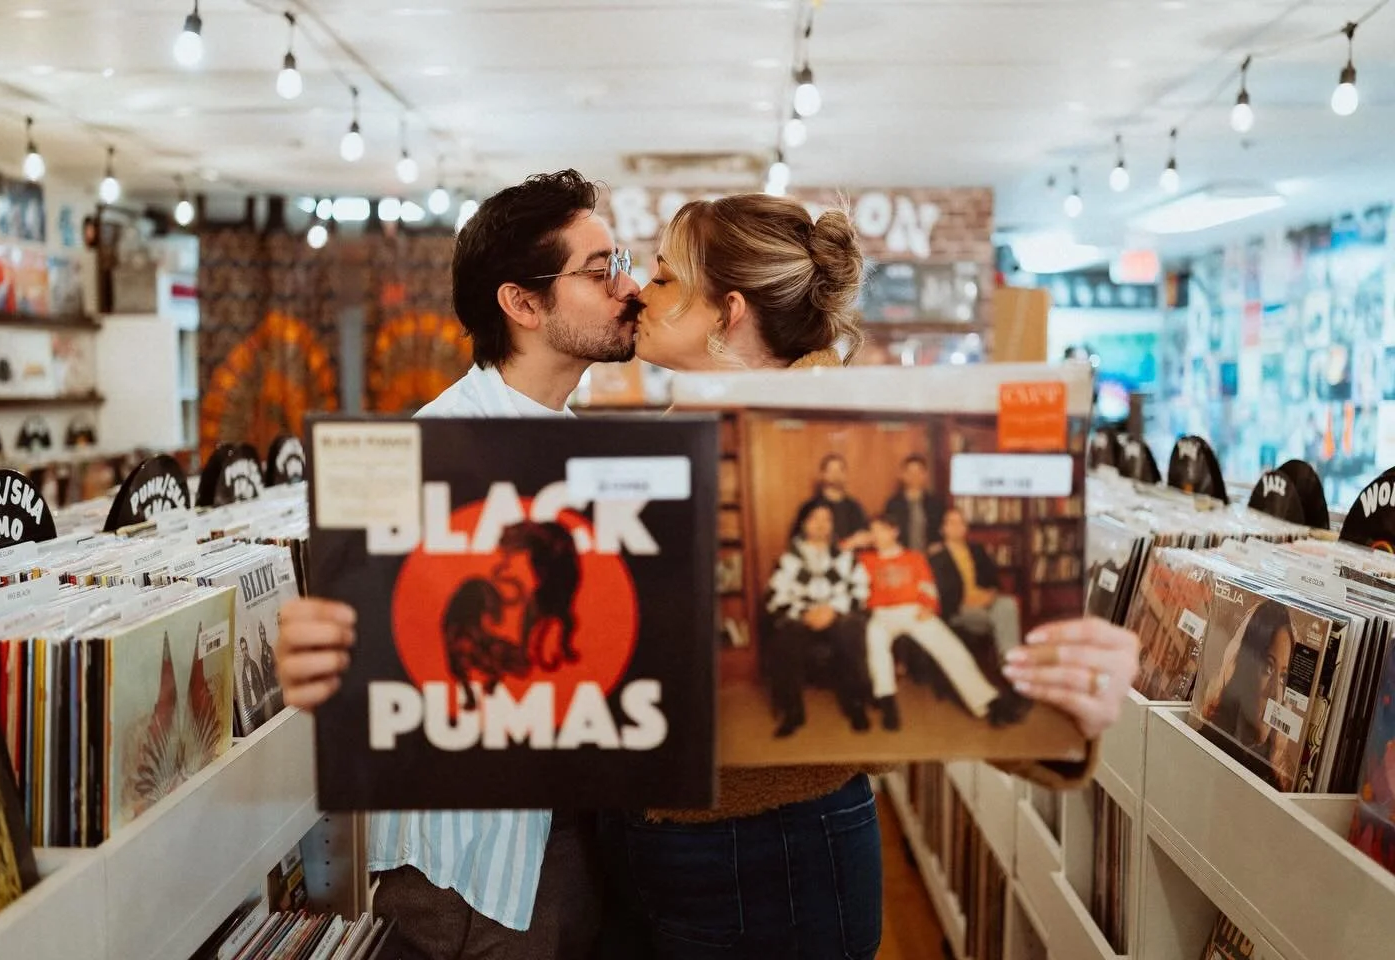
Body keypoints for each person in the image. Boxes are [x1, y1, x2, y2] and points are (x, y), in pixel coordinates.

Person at [602, 191, 1141, 959]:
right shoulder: (678, 431)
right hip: (651, 840)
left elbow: (953, 633)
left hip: (773, 848)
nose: (637, 292)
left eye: (661, 277)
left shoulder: (845, 426)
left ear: (725, 312)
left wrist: (1059, 709)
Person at [275, 170, 640, 960]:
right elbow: (360, 679)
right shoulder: (420, 453)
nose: (629, 287)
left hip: (560, 843)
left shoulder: (582, 448)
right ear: (523, 303)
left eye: (624, 262)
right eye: (602, 268)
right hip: (472, 873)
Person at [860, 513, 1000, 731]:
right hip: (882, 614)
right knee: (875, 642)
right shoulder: (865, 559)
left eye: (880, 530)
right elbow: (837, 555)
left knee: (948, 645)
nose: (875, 536)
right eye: (872, 532)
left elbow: (927, 585)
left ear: (894, 531)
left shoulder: (913, 557)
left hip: (914, 610)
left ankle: (984, 701)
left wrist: (929, 606)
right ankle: (888, 702)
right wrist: (853, 542)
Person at [765, 501, 872, 737]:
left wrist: (832, 610)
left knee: (851, 629)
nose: (822, 525)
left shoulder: (845, 557)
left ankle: (855, 705)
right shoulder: (789, 560)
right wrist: (805, 613)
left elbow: (861, 592)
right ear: (804, 524)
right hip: (803, 619)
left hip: (836, 617)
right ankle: (793, 712)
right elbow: (775, 598)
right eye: (815, 518)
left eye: (827, 519)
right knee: (785, 635)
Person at [1198, 598, 1297, 790]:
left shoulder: (1277, 781)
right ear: (1244, 666)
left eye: (1283, 677)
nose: (1276, 694)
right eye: (1268, 667)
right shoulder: (1205, 741)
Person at [929, 506, 1023, 654]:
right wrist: (972, 601)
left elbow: (993, 579)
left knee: (1008, 604)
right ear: (943, 528)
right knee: (996, 618)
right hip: (959, 609)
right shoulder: (937, 557)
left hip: (985, 600)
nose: (957, 527)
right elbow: (944, 595)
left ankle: (1010, 657)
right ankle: (1010, 660)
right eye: (952, 523)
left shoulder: (977, 550)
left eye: (961, 523)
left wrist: (991, 594)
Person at [787, 452, 871, 552]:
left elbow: (866, 537)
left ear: (845, 475)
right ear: (822, 475)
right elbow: (797, 541)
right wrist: (846, 545)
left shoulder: (855, 507)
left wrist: (864, 539)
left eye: (840, 470)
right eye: (830, 470)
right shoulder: (809, 507)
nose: (836, 474)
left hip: (848, 563)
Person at [882, 453, 944, 553]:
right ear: (902, 475)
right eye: (910, 472)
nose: (914, 476)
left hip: (931, 557)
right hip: (901, 556)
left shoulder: (936, 504)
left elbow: (942, 532)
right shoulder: (893, 504)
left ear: (925, 475)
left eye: (919, 472)